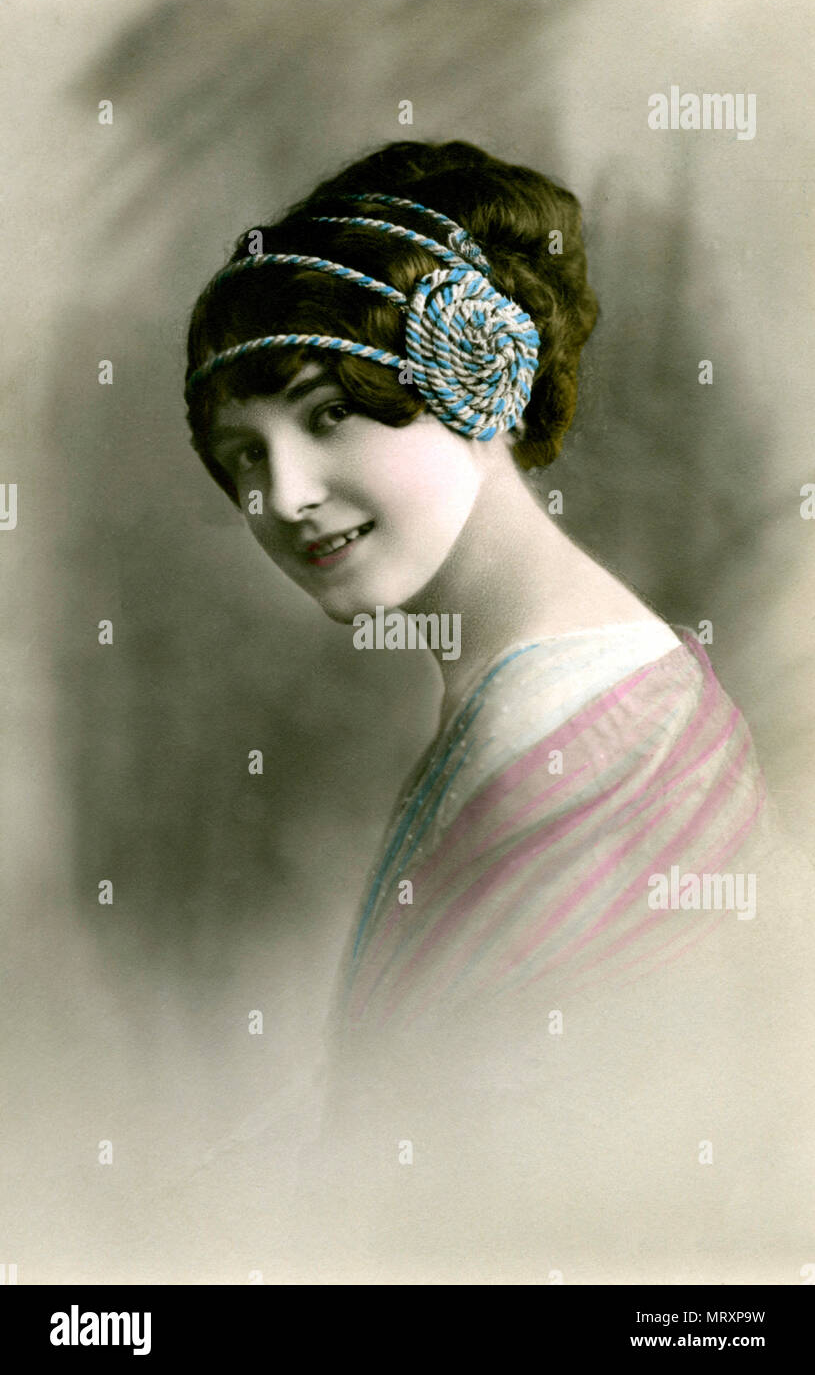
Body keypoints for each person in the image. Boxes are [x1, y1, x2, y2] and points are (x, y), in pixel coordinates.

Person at [183, 140, 814, 1281]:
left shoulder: (583, 748)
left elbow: (481, 1185)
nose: (281, 497)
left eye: (324, 416)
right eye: (242, 458)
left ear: (474, 378)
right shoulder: (561, 683)